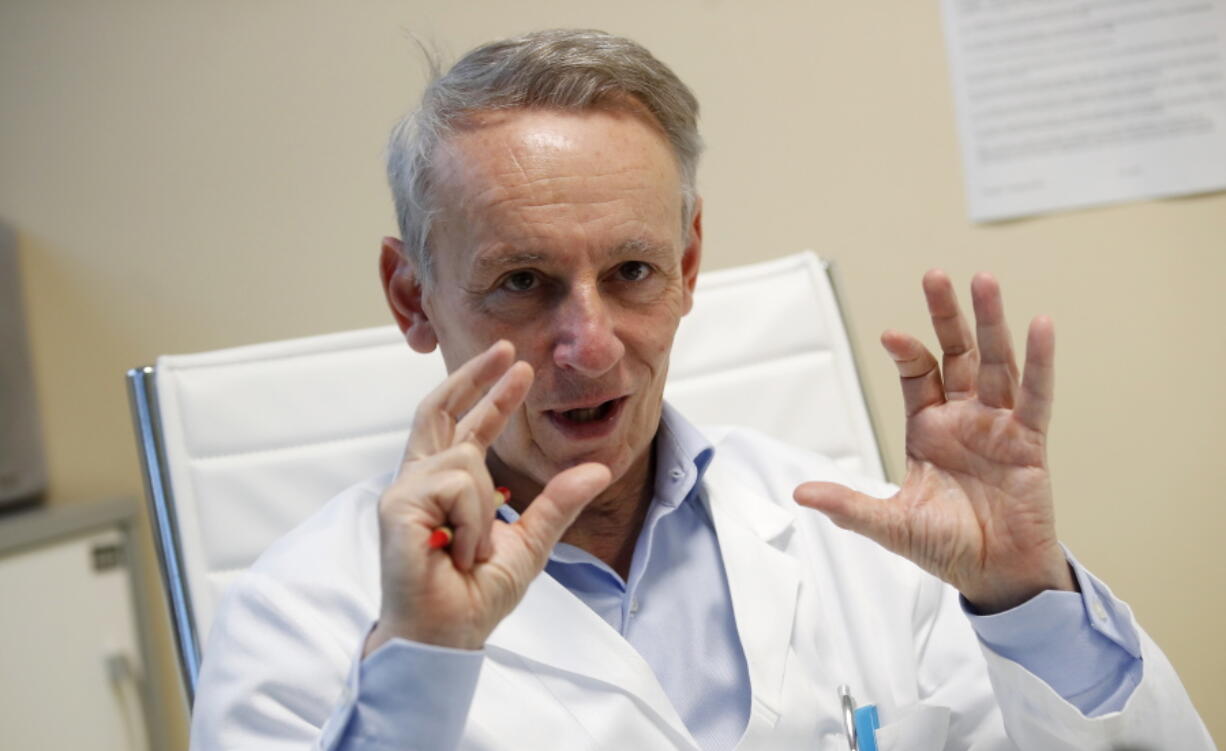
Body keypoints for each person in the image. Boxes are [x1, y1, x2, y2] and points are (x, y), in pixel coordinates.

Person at [190, 29, 1214, 750]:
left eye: (630, 272)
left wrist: (1026, 599)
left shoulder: (866, 547)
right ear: (411, 296)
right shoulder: (298, 614)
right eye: (522, 282)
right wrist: (417, 662)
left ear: (688, 262)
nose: (586, 346)